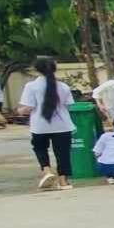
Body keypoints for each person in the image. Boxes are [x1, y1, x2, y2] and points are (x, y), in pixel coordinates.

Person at [16, 60, 75, 191]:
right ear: (54, 69)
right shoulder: (63, 87)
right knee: (63, 153)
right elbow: (69, 105)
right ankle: (63, 181)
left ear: (37, 70)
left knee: (40, 148)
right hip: (62, 125)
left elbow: (28, 107)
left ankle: (47, 171)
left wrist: (20, 111)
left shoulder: (31, 86)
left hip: (40, 126)